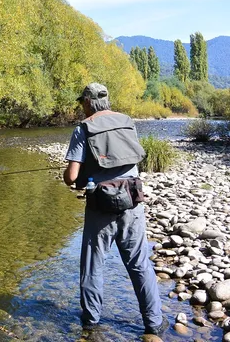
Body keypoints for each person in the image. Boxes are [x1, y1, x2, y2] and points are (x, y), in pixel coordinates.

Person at [63, 82, 169, 336]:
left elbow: (71, 177)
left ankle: (90, 323)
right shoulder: (127, 121)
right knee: (140, 264)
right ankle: (154, 324)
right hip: (132, 202)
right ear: (106, 100)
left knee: (92, 265)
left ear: (88, 102)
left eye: (82, 102)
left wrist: (75, 178)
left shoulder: (83, 129)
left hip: (101, 206)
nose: (82, 106)